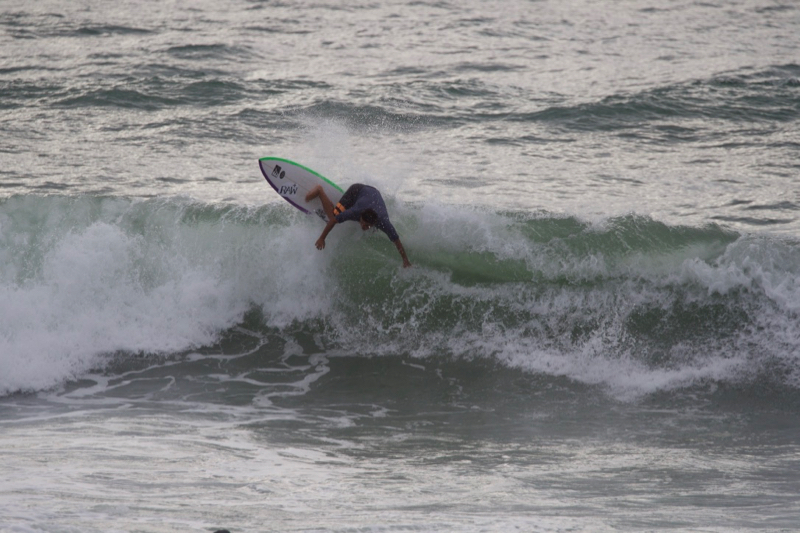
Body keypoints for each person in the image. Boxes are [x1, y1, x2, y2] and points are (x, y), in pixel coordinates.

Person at [305, 183, 412, 268]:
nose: (364, 227)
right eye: (363, 223)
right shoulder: (355, 212)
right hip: (356, 191)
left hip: (373, 194)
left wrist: (405, 260)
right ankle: (319, 190)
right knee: (333, 215)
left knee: (375, 230)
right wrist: (322, 238)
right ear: (360, 217)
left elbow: (396, 240)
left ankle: (342, 206)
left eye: (367, 226)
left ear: (374, 223)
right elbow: (333, 221)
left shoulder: (383, 222)